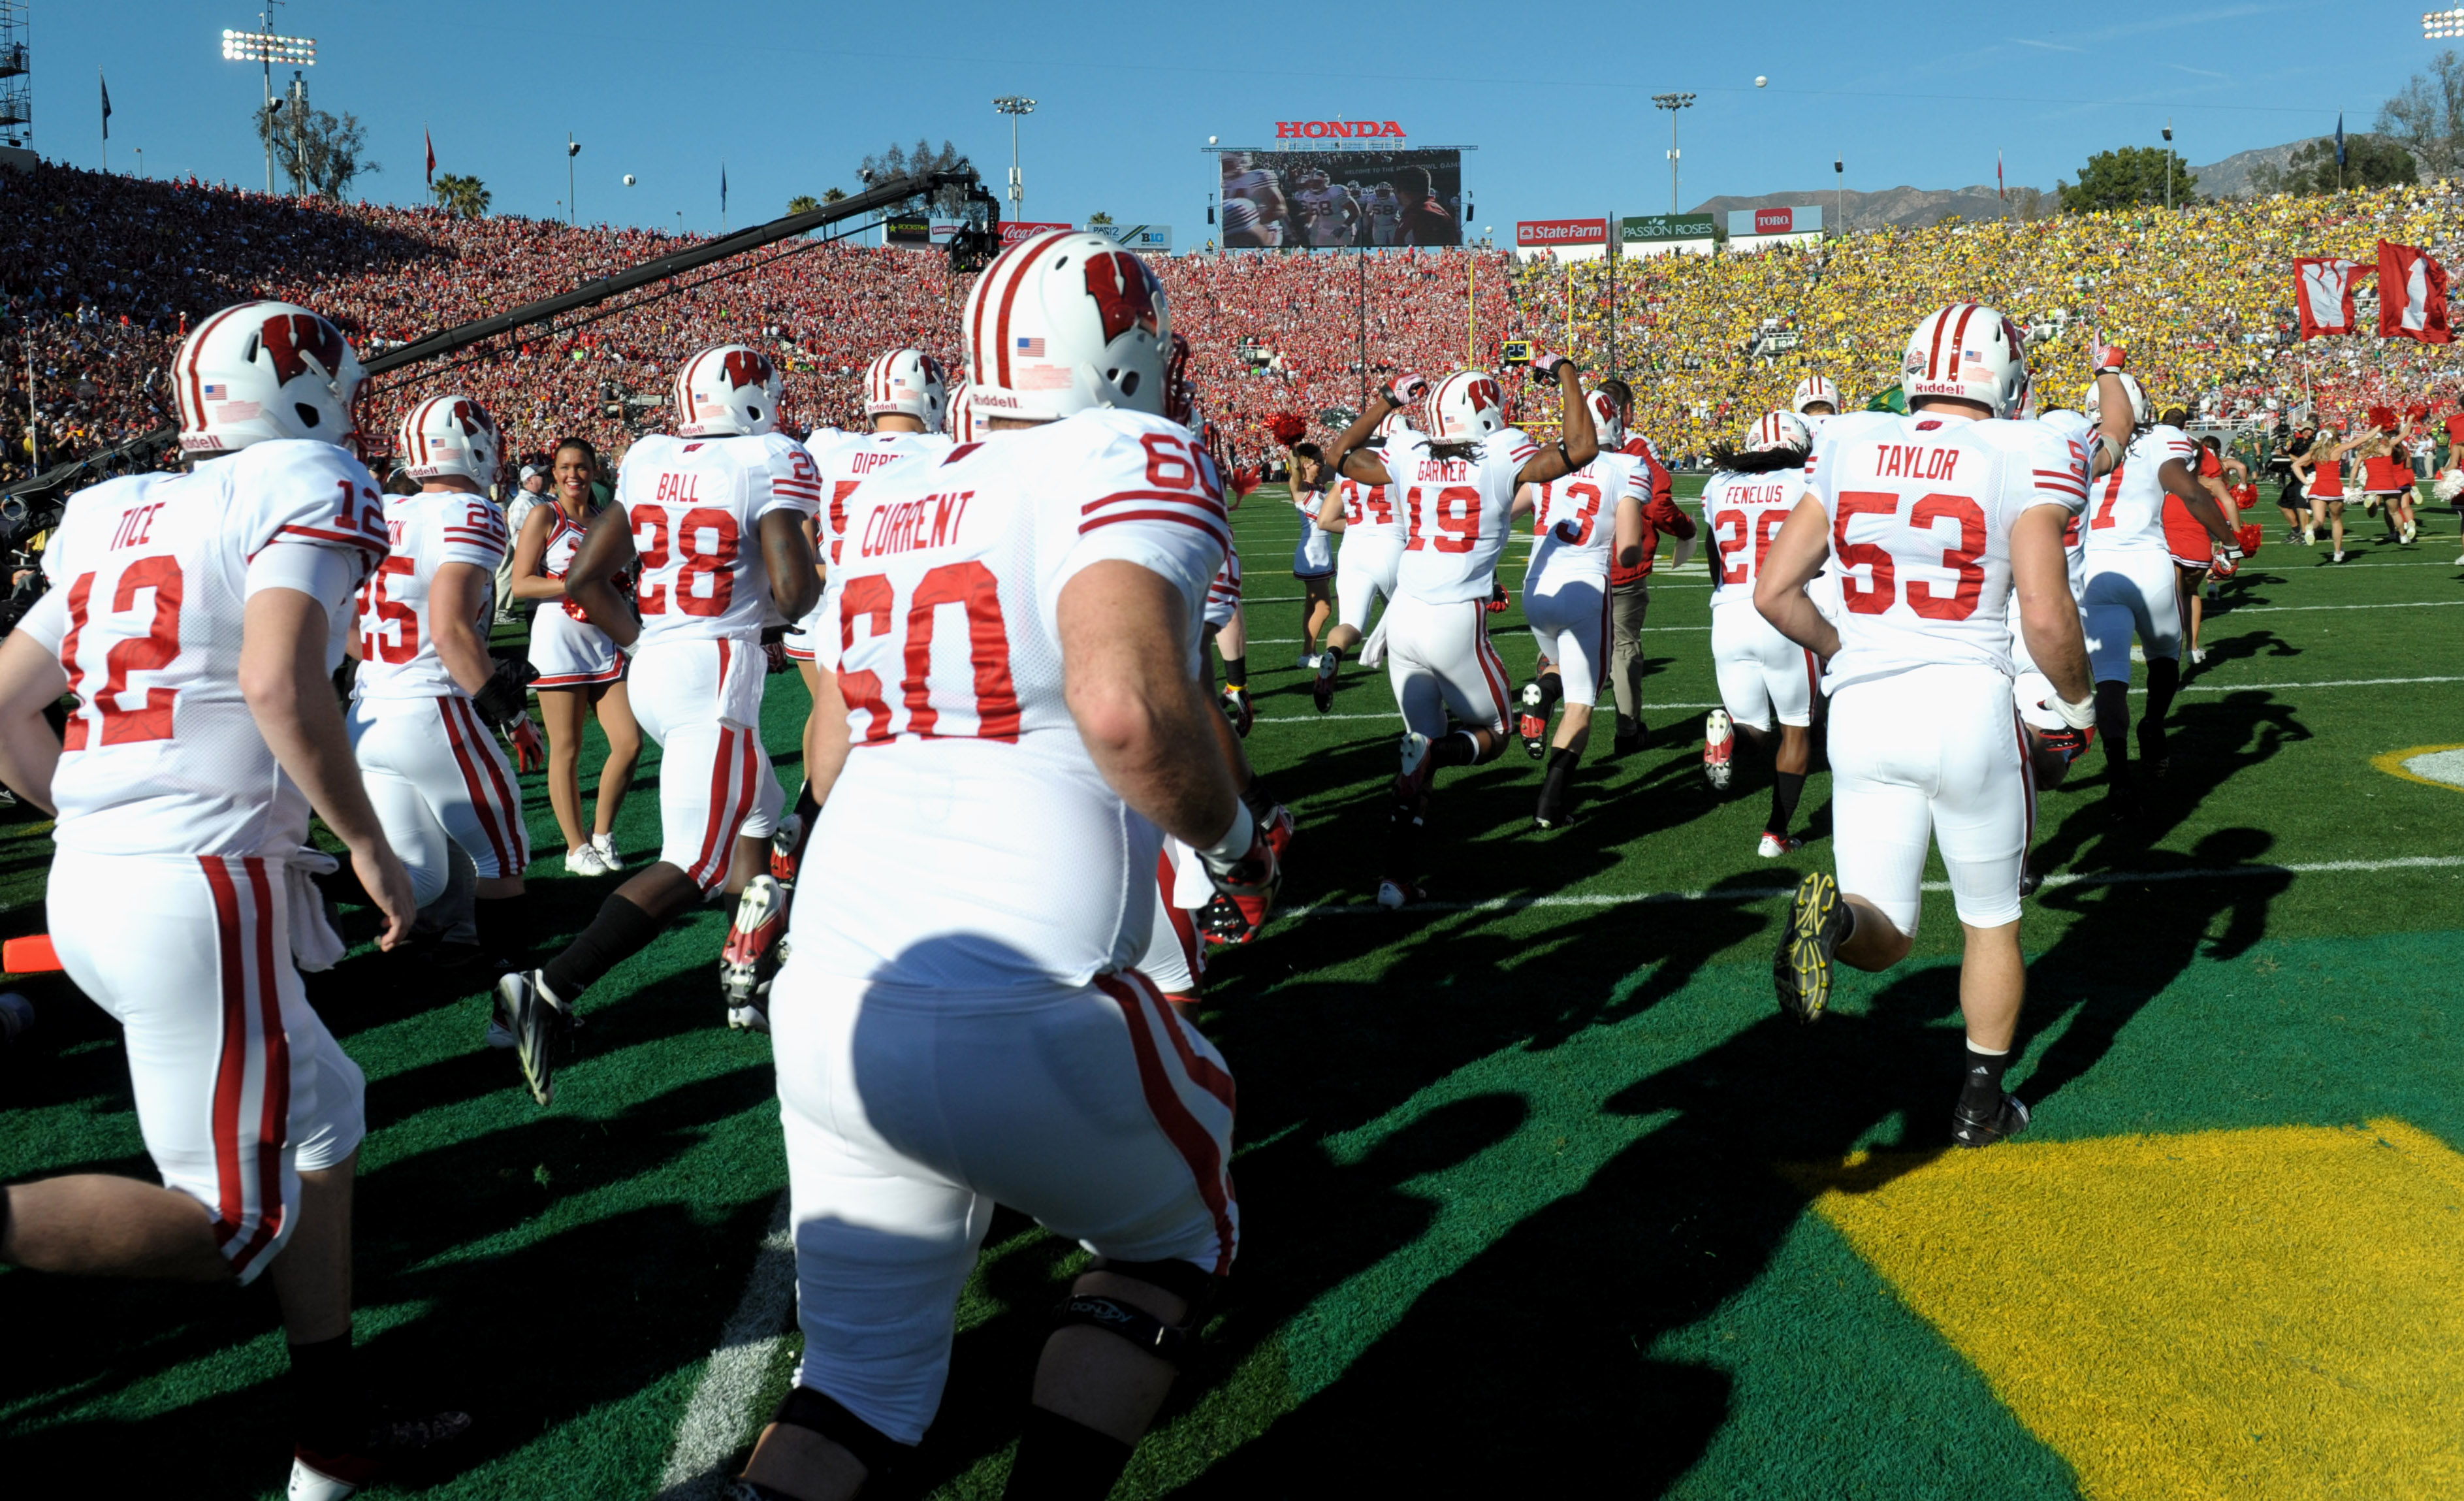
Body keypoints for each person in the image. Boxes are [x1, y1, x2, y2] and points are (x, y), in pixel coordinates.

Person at [735, 229, 1275, 1501]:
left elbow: (833, 737)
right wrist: (1241, 846)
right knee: (1170, 1245)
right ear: (1120, 352)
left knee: (853, 1391)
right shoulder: (1128, 448)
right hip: (1015, 993)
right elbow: (1130, 707)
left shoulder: (885, 496)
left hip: (832, 996)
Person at [0, 300, 464, 1498]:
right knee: (234, 1226)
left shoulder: (113, 510)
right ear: (312, 387)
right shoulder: (307, 475)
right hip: (201, 882)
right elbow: (274, 678)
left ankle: (330, 1432)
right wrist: (364, 838)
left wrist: (98, 817)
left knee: (331, 1118)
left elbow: (1, 703)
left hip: (97, 882)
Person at [1753, 302, 2101, 1149]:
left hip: (1865, 713)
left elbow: (1774, 591)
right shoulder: (2028, 447)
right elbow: (2048, 616)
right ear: (2005, 377)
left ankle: (1832, 924)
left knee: (1888, 930)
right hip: (1966, 706)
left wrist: (1849, 650)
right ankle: (1979, 1104)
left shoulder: (1850, 441)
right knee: (1990, 919)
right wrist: (2082, 703)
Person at [494, 344, 822, 1103]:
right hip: (714, 670)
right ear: (756, 399)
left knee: (764, 822)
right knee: (697, 862)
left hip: (656, 661)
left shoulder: (649, 458)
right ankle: (548, 987)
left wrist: (647, 642)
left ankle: (747, 969)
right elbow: (791, 589)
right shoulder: (767, 459)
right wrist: (806, 591)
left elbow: (581, 579)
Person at [1322, 356, 1597, 907]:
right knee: (1496, 729)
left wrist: (1385, 398)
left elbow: (1337, 456)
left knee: (1417, 752)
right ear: (1487, 413)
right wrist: (1567, 373)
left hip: (1402, 618)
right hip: (1455, 618)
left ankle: (1394, 879)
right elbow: (1581, 448)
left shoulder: (1408, 449)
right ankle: (1432, 758)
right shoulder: (1502, 451)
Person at [743, 348, 952, 1020]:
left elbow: (799, 525)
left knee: (830, 760)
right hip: (901, 615)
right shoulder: (942, 453)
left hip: (829, 613)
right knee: (909, 763)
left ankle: (798, 835)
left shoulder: (829, 447)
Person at [347, 395, 540, 980]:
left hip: (369, 710)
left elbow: (346, 626)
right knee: (502, 859)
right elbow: (452, 630)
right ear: (474, 445)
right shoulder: (471, 512)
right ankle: (517, 1009)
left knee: (420, 878)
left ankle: (283, 874)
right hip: (432, 710)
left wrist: (391, 665)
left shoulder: (379, 510)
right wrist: (512, 716)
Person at [2077, 376, 2239, 805]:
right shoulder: (2163, 438)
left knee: (2109, 680)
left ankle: (2118, 776)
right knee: (2165, 659)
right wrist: (2229, 540)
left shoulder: (2072, 438)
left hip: (2095, 568)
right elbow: (2189, 491)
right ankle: (2151, 722)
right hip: (2147, 564)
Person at [1513, 387, 1648, 827]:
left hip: (1535, 587)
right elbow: (1628, 545)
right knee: (1581, 702)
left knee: (1557, 665)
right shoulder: (1627, 464)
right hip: (1585, 585)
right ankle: (1549, 806)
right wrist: (1636, 558)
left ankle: (1539, 693)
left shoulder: (1548, 462)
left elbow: (1503, 512)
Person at [508, 436, 640, 874]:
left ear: (595, 470)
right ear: (554, 473)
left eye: (581, 467)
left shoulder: (606, 521)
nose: (572, 476)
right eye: (564, 467)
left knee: (629, 741)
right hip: (558, 642)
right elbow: (522, 584)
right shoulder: (545, 515)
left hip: (603, 640)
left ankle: (602, 833)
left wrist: (611, 586)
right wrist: (577, 584)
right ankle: (574, 847)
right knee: (567, 747)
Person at [1697, 410, 1821, 856]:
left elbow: (1714, 554)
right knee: (1796, 731)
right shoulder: (1805, 481)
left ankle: (1727, 736)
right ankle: (1775, 834)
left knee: (1753, 729)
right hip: (1785, 610)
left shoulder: (1718, 486)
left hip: (1728, 612)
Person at [1597, 376, 1695, 756]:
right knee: (1624, 648)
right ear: (1627, 412)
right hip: (1621, 565)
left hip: (1573, 564)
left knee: (1568, 646)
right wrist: (1686, 528)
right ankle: (1627, 728)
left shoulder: (1571, 446)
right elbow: (1657, 504)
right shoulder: (1636, 447)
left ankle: (1549, 697)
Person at [1309, 408, 1411, 712]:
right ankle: (1420, 700)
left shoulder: (1347, 470)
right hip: (1393, 546)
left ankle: (1334, 655)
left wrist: (1357, 525)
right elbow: (1410, 518)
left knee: (1350, 625)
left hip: (1353, 548)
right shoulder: (1401, 467)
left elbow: (1325, 521)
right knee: (1413, 628)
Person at [2160, 432, 2245, 664]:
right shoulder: (2212, 482)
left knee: (2171, 597)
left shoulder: (2165, 478)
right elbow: (2229, 504)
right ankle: (2193, 648)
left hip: (2170, 542)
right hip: (2198, 545)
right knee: (2190, 593)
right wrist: (2236, 541)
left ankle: (2171, 652)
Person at [1287, 441, 1336, 666]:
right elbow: (1295, 469)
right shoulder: (1300, 488)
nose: (1322, 465)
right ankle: (1307, 654)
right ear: (1306, 464)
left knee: (1311, 606)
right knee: (1324, 608)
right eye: (1318, 462)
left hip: (1323, 551)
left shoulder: (1320, 486)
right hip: (1312, 554)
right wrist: (1291, 443)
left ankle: (1309, 652)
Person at [495, 462, 549, 624]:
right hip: (534, 558)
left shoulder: (541, 498)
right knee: (536, 600)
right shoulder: (522, 503)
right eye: (541, 475)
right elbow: (520, 538)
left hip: (544, 557)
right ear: (530, 480)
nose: (545, 479)